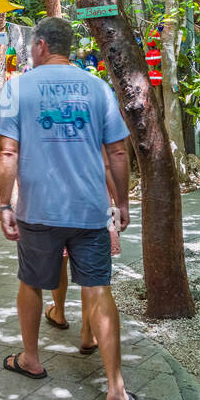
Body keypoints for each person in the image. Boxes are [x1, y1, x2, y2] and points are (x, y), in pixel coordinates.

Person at [0, 16, 137, 400]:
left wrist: (5, 205)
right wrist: (122, 203)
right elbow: (119, 153)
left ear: (39, 46)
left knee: (31, 283)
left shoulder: (17, 88)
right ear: (67, 47)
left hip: (38, 211)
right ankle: (115, 387)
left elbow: (7, 152)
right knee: (97, 288)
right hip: (90, 210)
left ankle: (32, 359)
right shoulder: (98, 87)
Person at [43, 148, 123, 353]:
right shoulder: (96, 116)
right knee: (92, 273)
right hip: (92, 199)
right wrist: (120, 205)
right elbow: (109, 163)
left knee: (59, 259)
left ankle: (59, 312)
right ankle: (88, 334)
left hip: (55, 196)